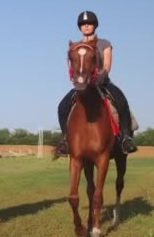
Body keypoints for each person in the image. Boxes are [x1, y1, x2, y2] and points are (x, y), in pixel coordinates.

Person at [54, 10, 137, 158]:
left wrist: (102, 75)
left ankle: (125, 138)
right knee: (62, 106)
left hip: (101, 83)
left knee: (121, 101)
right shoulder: (76, 46)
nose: (86, 26)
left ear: (95, 25)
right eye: (83, 24)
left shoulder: (104, 43)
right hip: (82, 85)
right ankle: (65, 140)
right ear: (80, 27)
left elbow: (106, 64)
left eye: (89, 23)